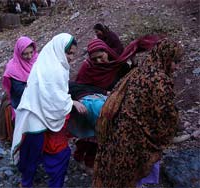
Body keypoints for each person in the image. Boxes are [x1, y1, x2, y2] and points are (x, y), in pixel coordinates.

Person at [93, 38, 183, 188]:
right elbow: (166, 115)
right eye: (175, 62)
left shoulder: (140, 70)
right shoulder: (160, 80)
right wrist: (173, 130)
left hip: (117, 133)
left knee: (118, 175)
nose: (177, 67)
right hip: (135, 140)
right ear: (166, 58)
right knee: (130, 176)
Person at [69, 35, 164, 169]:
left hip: (114, 101)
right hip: (95, 103)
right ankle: (84, 160)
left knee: (105, 136)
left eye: (101, 56)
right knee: (94, 136)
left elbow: (128, 78)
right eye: (94, 58)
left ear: (106, 51)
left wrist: (133, 62)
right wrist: (102, 93)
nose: (99, 61)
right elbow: (80, 86)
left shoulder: (116, 64)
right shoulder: (88, 67)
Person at [11, 33, 87, 188]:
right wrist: (71, 102)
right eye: (69, 53)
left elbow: (57, 94)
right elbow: (54, 98)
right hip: (35, 118)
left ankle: (29, 182)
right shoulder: (52, 69)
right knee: (37, 153)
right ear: (59, 50)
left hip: (39, 117)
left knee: (39, 153)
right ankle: (28, 183)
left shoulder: (53, 64)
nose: (71, 57)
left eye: (73, 53)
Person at [1, 36, 38, 141]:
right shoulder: (13, 68)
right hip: (21, 104)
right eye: (25, 54)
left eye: (31, 52)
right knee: (25, 133)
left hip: (37, 102)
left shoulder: (38, 60)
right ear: (18, 53)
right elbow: (19, 90)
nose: (29, 56)